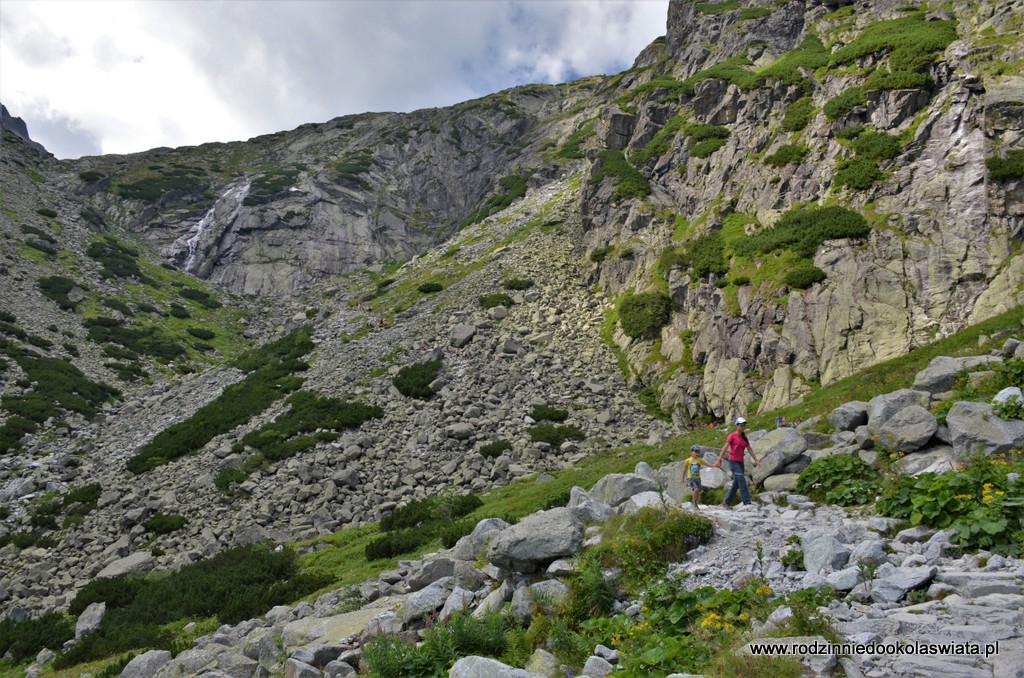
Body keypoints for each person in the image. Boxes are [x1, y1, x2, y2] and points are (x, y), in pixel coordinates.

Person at [714, 417, 761, 507]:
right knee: (741, 480)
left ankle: (726, 502)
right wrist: (719, 459)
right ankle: (747, 502)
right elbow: (725, 447)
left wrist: (756, 460)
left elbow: (749, 449)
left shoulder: (744, 437)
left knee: (736, 483)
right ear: (737, 425)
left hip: (740, 462)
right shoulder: (732, 436)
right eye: (741, 425)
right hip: (733, 461)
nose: (743, 427)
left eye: (744, 425)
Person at [684, 444, 710, 509]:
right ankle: (695, 504)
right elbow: (685, 469)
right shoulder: (688, 460)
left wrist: (715, 465)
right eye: (695, 451)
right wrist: (682, 478)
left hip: (698, 478)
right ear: (691, 452)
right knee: (696, 489)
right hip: (691, 478)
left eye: (698, 452)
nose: (697, 453)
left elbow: (707, 464)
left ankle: (696, 502)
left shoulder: (699, 460)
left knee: (698, 491)